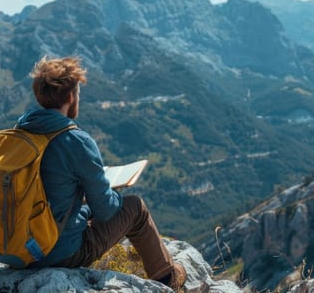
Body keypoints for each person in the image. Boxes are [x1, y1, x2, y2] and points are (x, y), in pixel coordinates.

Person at [16, 56, 187, 289]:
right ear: (70, 97)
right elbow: (106, 212)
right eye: (77, 93)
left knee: (86, 209)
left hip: (16, 248)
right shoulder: (75, 141)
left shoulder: (20, 133)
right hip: (55, 253)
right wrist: (109, 191)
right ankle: (167, 277)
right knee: (135, 207)